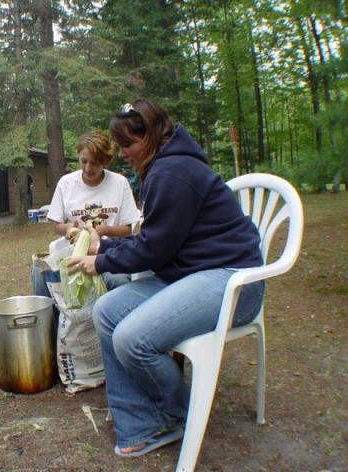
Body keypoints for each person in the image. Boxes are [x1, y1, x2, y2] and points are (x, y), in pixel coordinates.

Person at [68, 99, 265, 457]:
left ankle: (174, 413)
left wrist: (100, 262)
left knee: (132, 337)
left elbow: (154, 250)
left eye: (128, 144)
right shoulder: (161, 167)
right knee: (108, 310)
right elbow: (155, 239)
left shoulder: (172, 173)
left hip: (232, 280)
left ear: (154, 136)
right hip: (191, 272)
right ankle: (140, 422)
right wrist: (103, 249)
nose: (122, 153)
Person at [31, 130, 139, 297]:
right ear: (78, 155)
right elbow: (57, 225)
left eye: (95, 163)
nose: (88, 168)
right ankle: (47, 319)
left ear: (105, 161)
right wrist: (68, 228)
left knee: (118, 281)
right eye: (84, 161)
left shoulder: (119, 183)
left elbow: (128, 229)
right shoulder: (66, 183)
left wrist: (105, 231)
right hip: (75, 253)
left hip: (109, 253)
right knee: (39, 270)